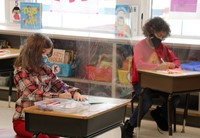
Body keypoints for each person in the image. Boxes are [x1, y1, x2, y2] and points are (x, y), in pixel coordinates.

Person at [12, 33, 86, 138]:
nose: (45, 56)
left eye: (47, 53)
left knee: (56, 135)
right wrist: (58, 96)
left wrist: (74, 92)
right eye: (43, 52)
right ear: (33, 51)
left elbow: (58, 83)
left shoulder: (45, 68)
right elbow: (31, 95)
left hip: (43, 118)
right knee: (43, 137)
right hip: (24, 120)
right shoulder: (21, 70)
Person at [122, 17, 181, 138]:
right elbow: (139, 65)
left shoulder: (162, 48)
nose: (161, 39)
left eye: (163, 37)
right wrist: (158, 67)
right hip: (141, 82)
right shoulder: (140, 46)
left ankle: (159, 113)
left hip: (158, 83)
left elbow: (176, 60)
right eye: (159, 35)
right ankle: (129, 126)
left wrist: (172, 64)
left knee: (175, 98)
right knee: (146, 101)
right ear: (151, 32)